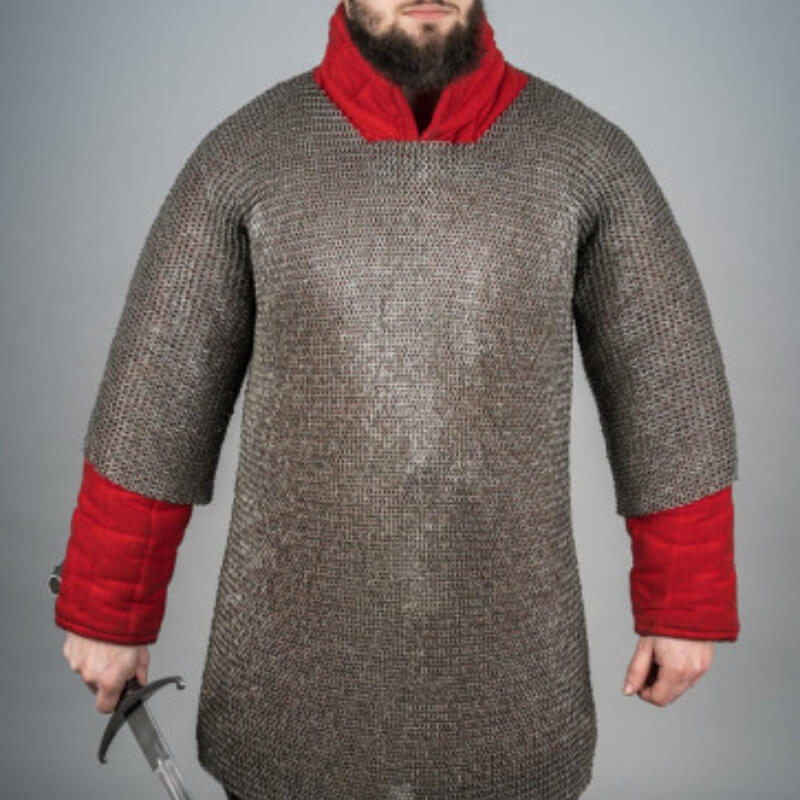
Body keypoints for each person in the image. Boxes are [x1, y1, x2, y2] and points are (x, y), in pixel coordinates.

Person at [56, 2, 740, 798]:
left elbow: (666, 389)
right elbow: (158, 402)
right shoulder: (247, 158)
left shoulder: (587, 160)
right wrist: (110, 611)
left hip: (507, 680)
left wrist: (682, 605)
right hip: (295, 682)